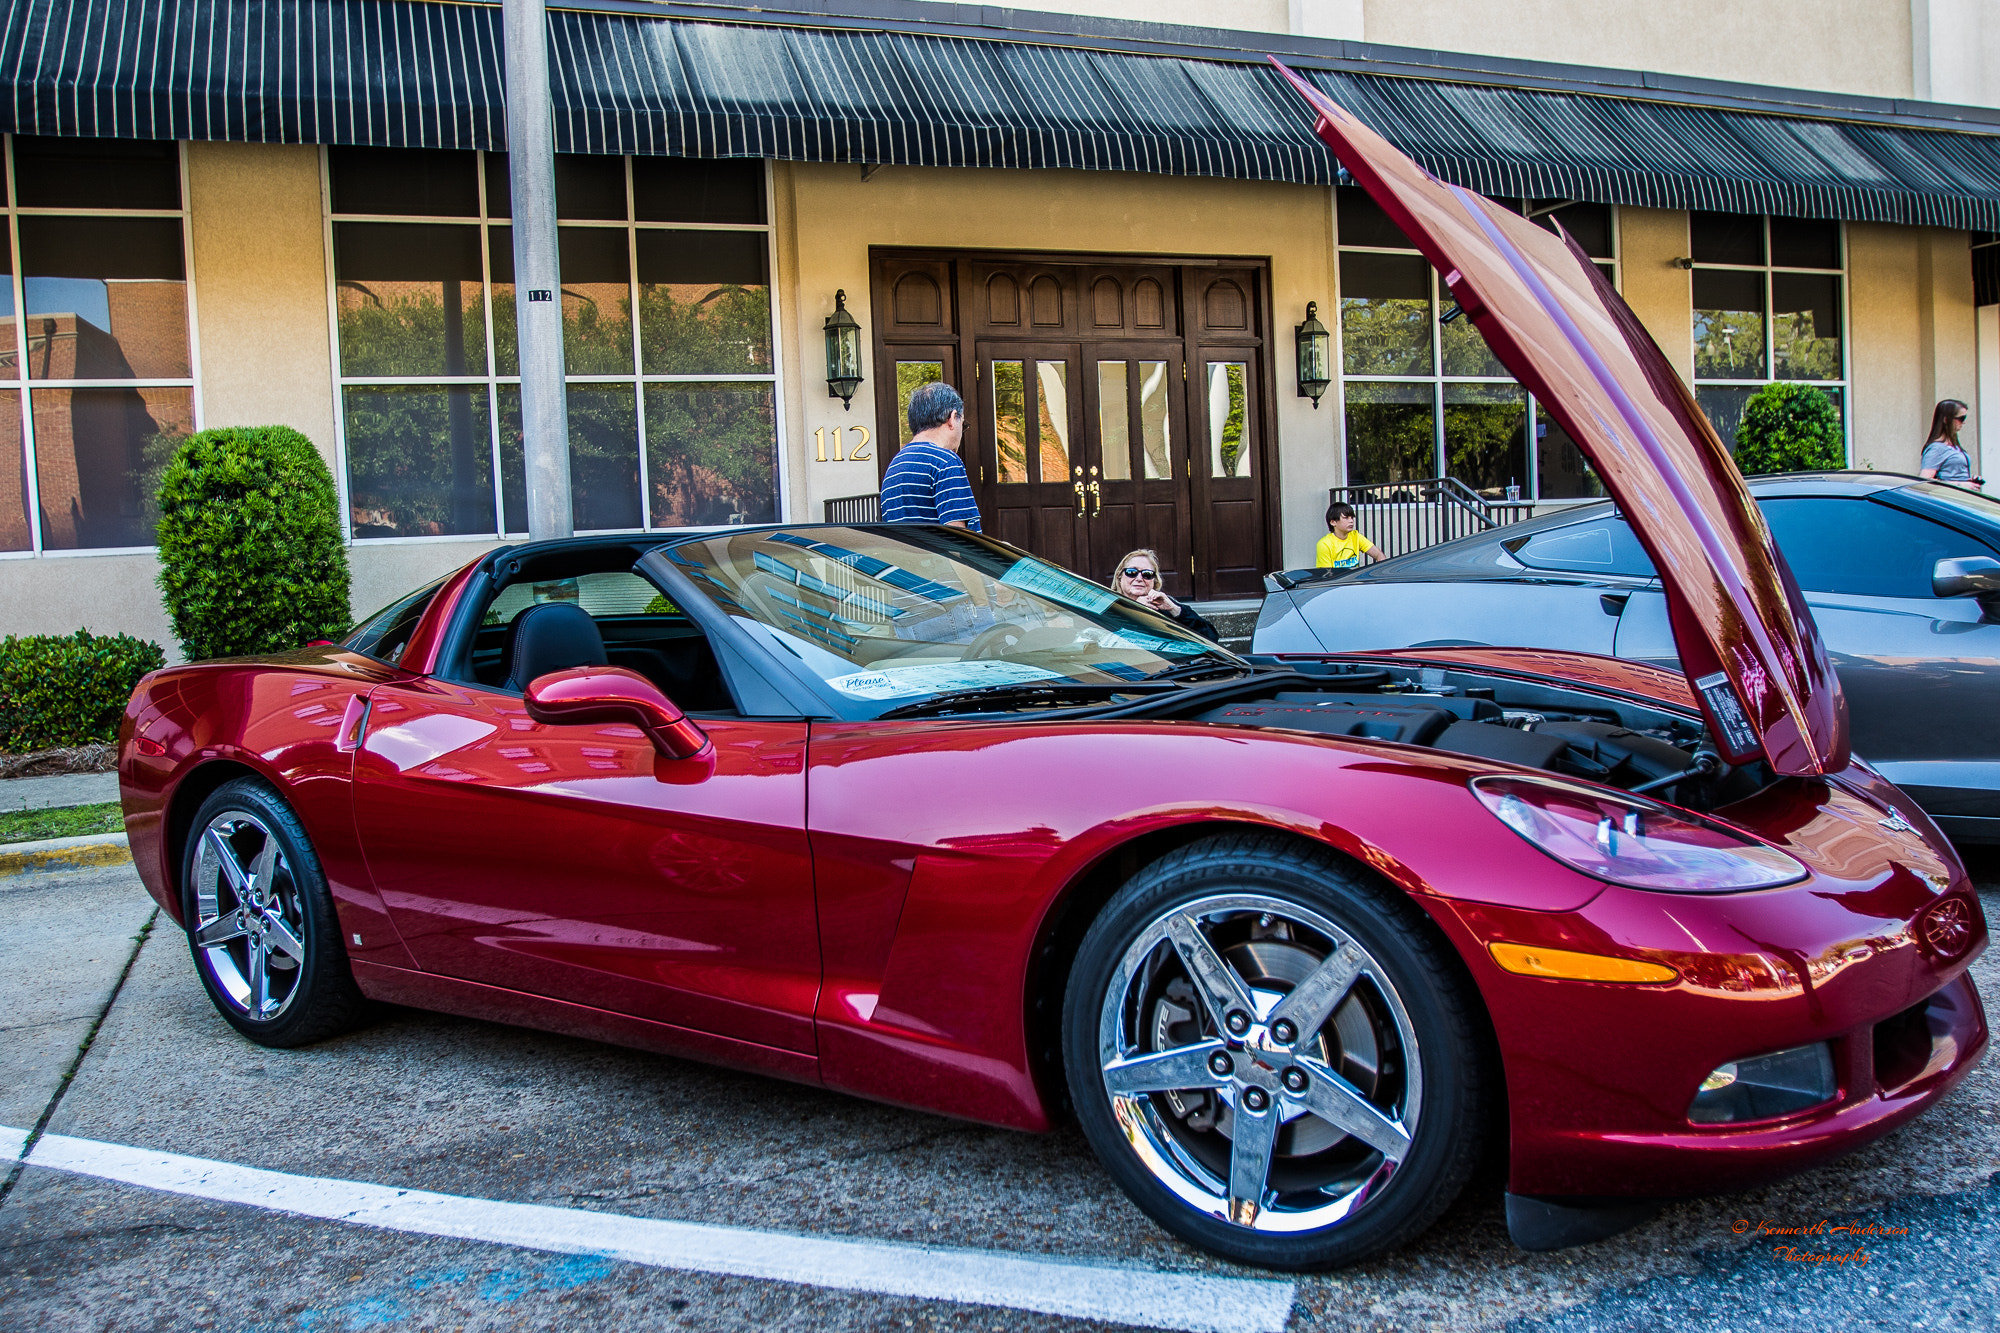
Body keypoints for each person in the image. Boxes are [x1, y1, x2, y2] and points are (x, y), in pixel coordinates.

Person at [881, 383, 982, 528]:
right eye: (963, 424)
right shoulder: (945, 462)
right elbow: (959, 542)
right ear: (952, 418)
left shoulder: (894, 467)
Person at [1108, 548, 1218, 641]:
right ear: (1119, 576)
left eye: (1147, 574)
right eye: (1132, 572)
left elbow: (1211, 637)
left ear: (1154, 581)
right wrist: (1134, 608)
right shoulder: (1108, 606)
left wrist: (1175, 610)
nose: (1139, 578)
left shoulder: (1163, 605)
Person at [1920, 400, 1983, 492]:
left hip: (1961, 498)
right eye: (1961, 418)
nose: (1963, 422)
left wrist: (1969, 481)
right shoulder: (1936, 448)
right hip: (1947, 499)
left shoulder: (1955, 446)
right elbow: (1924, 482)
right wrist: (1960, 484)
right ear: (1946, 420)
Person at [1316, 502, 1385, 569]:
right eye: (1346, 518)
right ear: (1333, 522)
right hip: (1337, 580)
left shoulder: (1356, 536)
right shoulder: (1324, 544)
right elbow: (1326, 574)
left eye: (1352, 517)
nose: (1351, 521)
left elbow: (1379, 554)